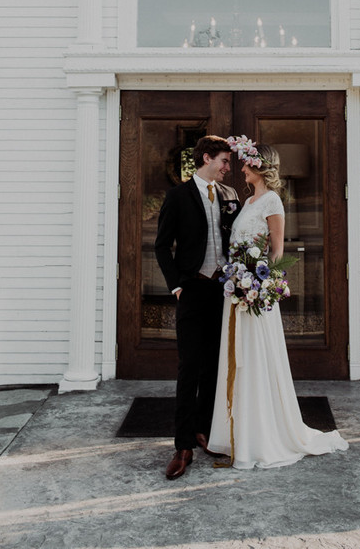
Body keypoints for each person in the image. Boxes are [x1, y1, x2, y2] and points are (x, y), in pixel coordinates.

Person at [209, 138, 349, 469]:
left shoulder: (272, 201)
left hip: (255, 297)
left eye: (245, 163)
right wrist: (236, 280)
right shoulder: (247, 201)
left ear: (259, 166)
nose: (241, 167)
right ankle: (235, 432)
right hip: (237, 294)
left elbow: (276, 252)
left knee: (255, 360)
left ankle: (261, 436)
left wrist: (260, 285)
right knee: (235, 358)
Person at [154, 135, 240, 480]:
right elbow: (162, 246)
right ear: (206, 158)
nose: (227, 167)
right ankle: (183, 445)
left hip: (223, 291)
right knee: (189, 367)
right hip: (191, 289)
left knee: (215, 367)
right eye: (224, 161)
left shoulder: (230, 196)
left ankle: (205, 431)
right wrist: (176, 285)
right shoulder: (177, 196)